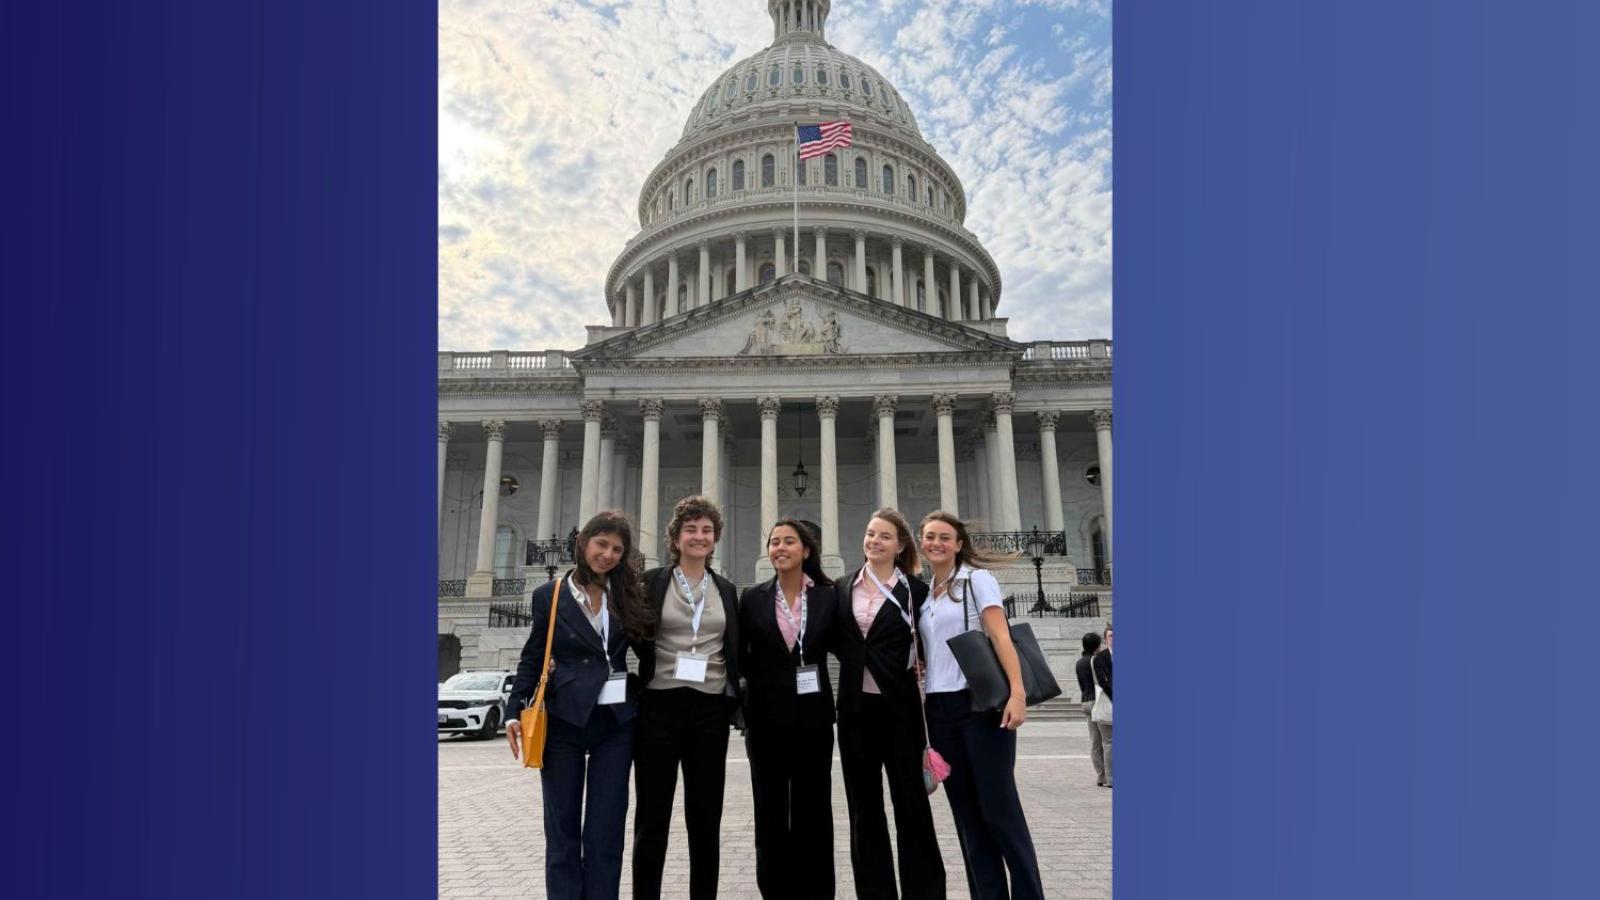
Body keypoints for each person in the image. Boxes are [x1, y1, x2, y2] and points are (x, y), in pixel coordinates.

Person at [505, 511, 652, 900]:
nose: (607, 555)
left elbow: (649, 651)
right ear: (583, 543)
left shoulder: (627, 595)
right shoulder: (550, 595)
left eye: (617, 549)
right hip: (564, 720)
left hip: (614, 723)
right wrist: (512, 710)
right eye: (601, 544)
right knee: (562, 829)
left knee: (606, 830)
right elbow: (533, 657)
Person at [917, 510, 1046, 900]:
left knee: (1000, 811)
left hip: (981, 706)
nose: (936, 543)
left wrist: (1018, 693)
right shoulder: (927, 595)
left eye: (944, 537)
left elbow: (1000, 636)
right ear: (921, 544)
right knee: (967, 817)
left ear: (958, 544)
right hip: (940, 710)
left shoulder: (977, 580)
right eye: (929, 537)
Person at [632, 495, 743, 900]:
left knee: (705, 818)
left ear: (715, 540)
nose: (699, 537)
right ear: (675, 538)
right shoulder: (652, 583)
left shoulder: (726, 590)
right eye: (691, 530)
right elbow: (625, 633)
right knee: (651, 818)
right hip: (659, 707)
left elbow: (736, 649)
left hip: (709, 711)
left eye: (707, 531)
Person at [833, 508, 946, 900]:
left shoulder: (916, 591)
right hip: (855, 711)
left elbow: (933, 639)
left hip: (901, 710)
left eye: (884, 536)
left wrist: (923, 663)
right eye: (869, 533)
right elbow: (837, 640)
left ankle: (925, 891)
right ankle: (874, 892)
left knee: (911, 804)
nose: (874, 541)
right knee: (864, 810)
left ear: (900, 546)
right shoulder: (843, 587)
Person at [738, 518, 841, 899]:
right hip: (765, 720)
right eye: (774, 542)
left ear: (807, 550)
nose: (780, 548)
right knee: (769, 811)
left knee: (814, 810)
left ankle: (817, 891)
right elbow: (740, 656)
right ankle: (775, 890)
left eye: (789, 541)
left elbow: (848, 647)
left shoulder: (829, 596)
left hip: (813, 719)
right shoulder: (753, 598)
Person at [1076, 631, 1108, 786]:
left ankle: (1101, 775)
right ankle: (1109, 774)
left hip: (1085, 701)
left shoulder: (1080, 662)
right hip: (1098, 701)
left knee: (1095, 741)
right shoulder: (1096, 660)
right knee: (1107, 740)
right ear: (1097, 646)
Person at [1091, 624, 1112, 788]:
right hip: (1109, 703)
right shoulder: (1099, 658)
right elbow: (1103, 682)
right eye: (1110, 636)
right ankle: (1110, 778)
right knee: (1109, 744)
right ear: (1106, 639)